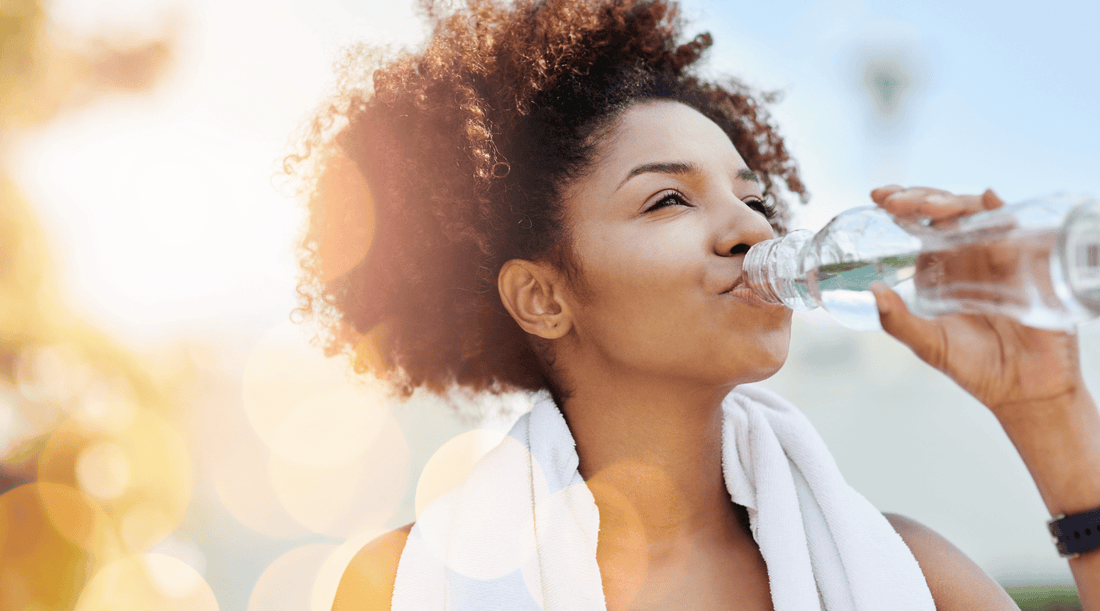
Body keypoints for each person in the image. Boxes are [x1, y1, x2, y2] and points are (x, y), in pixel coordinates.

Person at [287, 0, 1100, 608]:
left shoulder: (912, 574)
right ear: (542, 296)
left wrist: (1051, 412)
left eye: (752, 197)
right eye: (670, 199)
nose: (749, 226)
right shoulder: (402, 584)